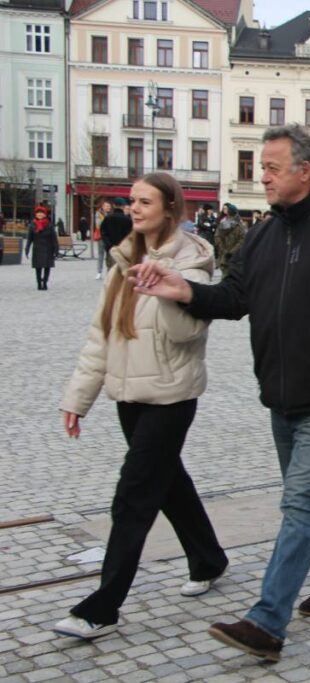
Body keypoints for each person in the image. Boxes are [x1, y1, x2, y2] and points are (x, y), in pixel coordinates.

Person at [129, 124, 310, 661]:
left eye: (270, 166)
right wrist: (184, 290)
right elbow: (235, 297)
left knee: (300, 502)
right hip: (281, 391)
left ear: (304, 172)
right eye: (260, 166)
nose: (260, 174)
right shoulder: (263, 233)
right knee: (309, 496)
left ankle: (267, 621)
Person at [53, 172, 228, 641]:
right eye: (131, 201)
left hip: (171, 395)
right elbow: (100, 337)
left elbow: (188, 335)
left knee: (134, 494)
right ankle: (209, 558)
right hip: (128, 395)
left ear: (169, 207)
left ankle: (102, 606)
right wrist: (78, 398)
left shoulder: (192, 261)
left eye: (144, 201)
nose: (134, 208)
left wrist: (167, 291)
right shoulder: (123, 260)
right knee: (168, 482)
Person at [25, 205, 58, 290]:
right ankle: (39, 283)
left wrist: (56, 249)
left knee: (47, 267)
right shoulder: (32, 225)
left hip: (48, 248)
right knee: (38, 267)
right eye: (38, 213)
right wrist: (27, 248)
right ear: (35, 214)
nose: (39, 214)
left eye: (41, 213)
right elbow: (29, 239)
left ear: (45, 214)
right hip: (37, 248)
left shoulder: (49, 225)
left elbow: (54, 238)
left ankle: (45, 282)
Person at [214, 203, 245, 279]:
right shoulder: (240, 226)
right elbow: (242, 240)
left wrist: (223, 249)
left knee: (224, 276)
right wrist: (232, 251)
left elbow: (217, 237)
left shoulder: (222, 224)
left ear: (228, 213)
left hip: (224, 255)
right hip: (235, 256)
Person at [95, 199, 112, 279]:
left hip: (110, 237)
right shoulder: (99, 214)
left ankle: (109, 271)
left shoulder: (111, 214)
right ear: (103, 206)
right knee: (101, 255)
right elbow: (98, 224)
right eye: (107, 206)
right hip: (101, 237)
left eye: (109, 206)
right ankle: (99, 272)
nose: (108, 207)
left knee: (109, 255)